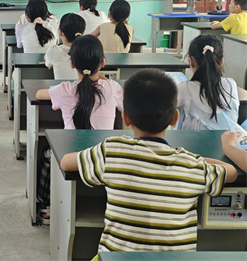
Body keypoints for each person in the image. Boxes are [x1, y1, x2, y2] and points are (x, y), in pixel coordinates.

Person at [60, 68, 237, 254]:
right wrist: (209, 154)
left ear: (125, 117)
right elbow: (230, 173)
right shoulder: (193, 165)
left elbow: (66, 162)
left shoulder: (112, 150)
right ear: (174, 119)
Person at [37, 35, 123, 130]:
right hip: (103, 141)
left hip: (71, 140)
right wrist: (98, 74)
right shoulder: (113, 88)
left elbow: (38, 94)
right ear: (102, 63)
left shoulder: (64, 89)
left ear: (72, 64)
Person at [177, 34, 239, 130]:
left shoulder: (184, 88)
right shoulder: (231, 84)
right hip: (229, 140)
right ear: (221, 62)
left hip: (191, 140)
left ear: (191, 62)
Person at [44, 13, 86, 79]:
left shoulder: (53, 51)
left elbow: (47, 62)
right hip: (84, 86)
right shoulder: (88, 51)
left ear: (60, 32)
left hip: (62, 86)